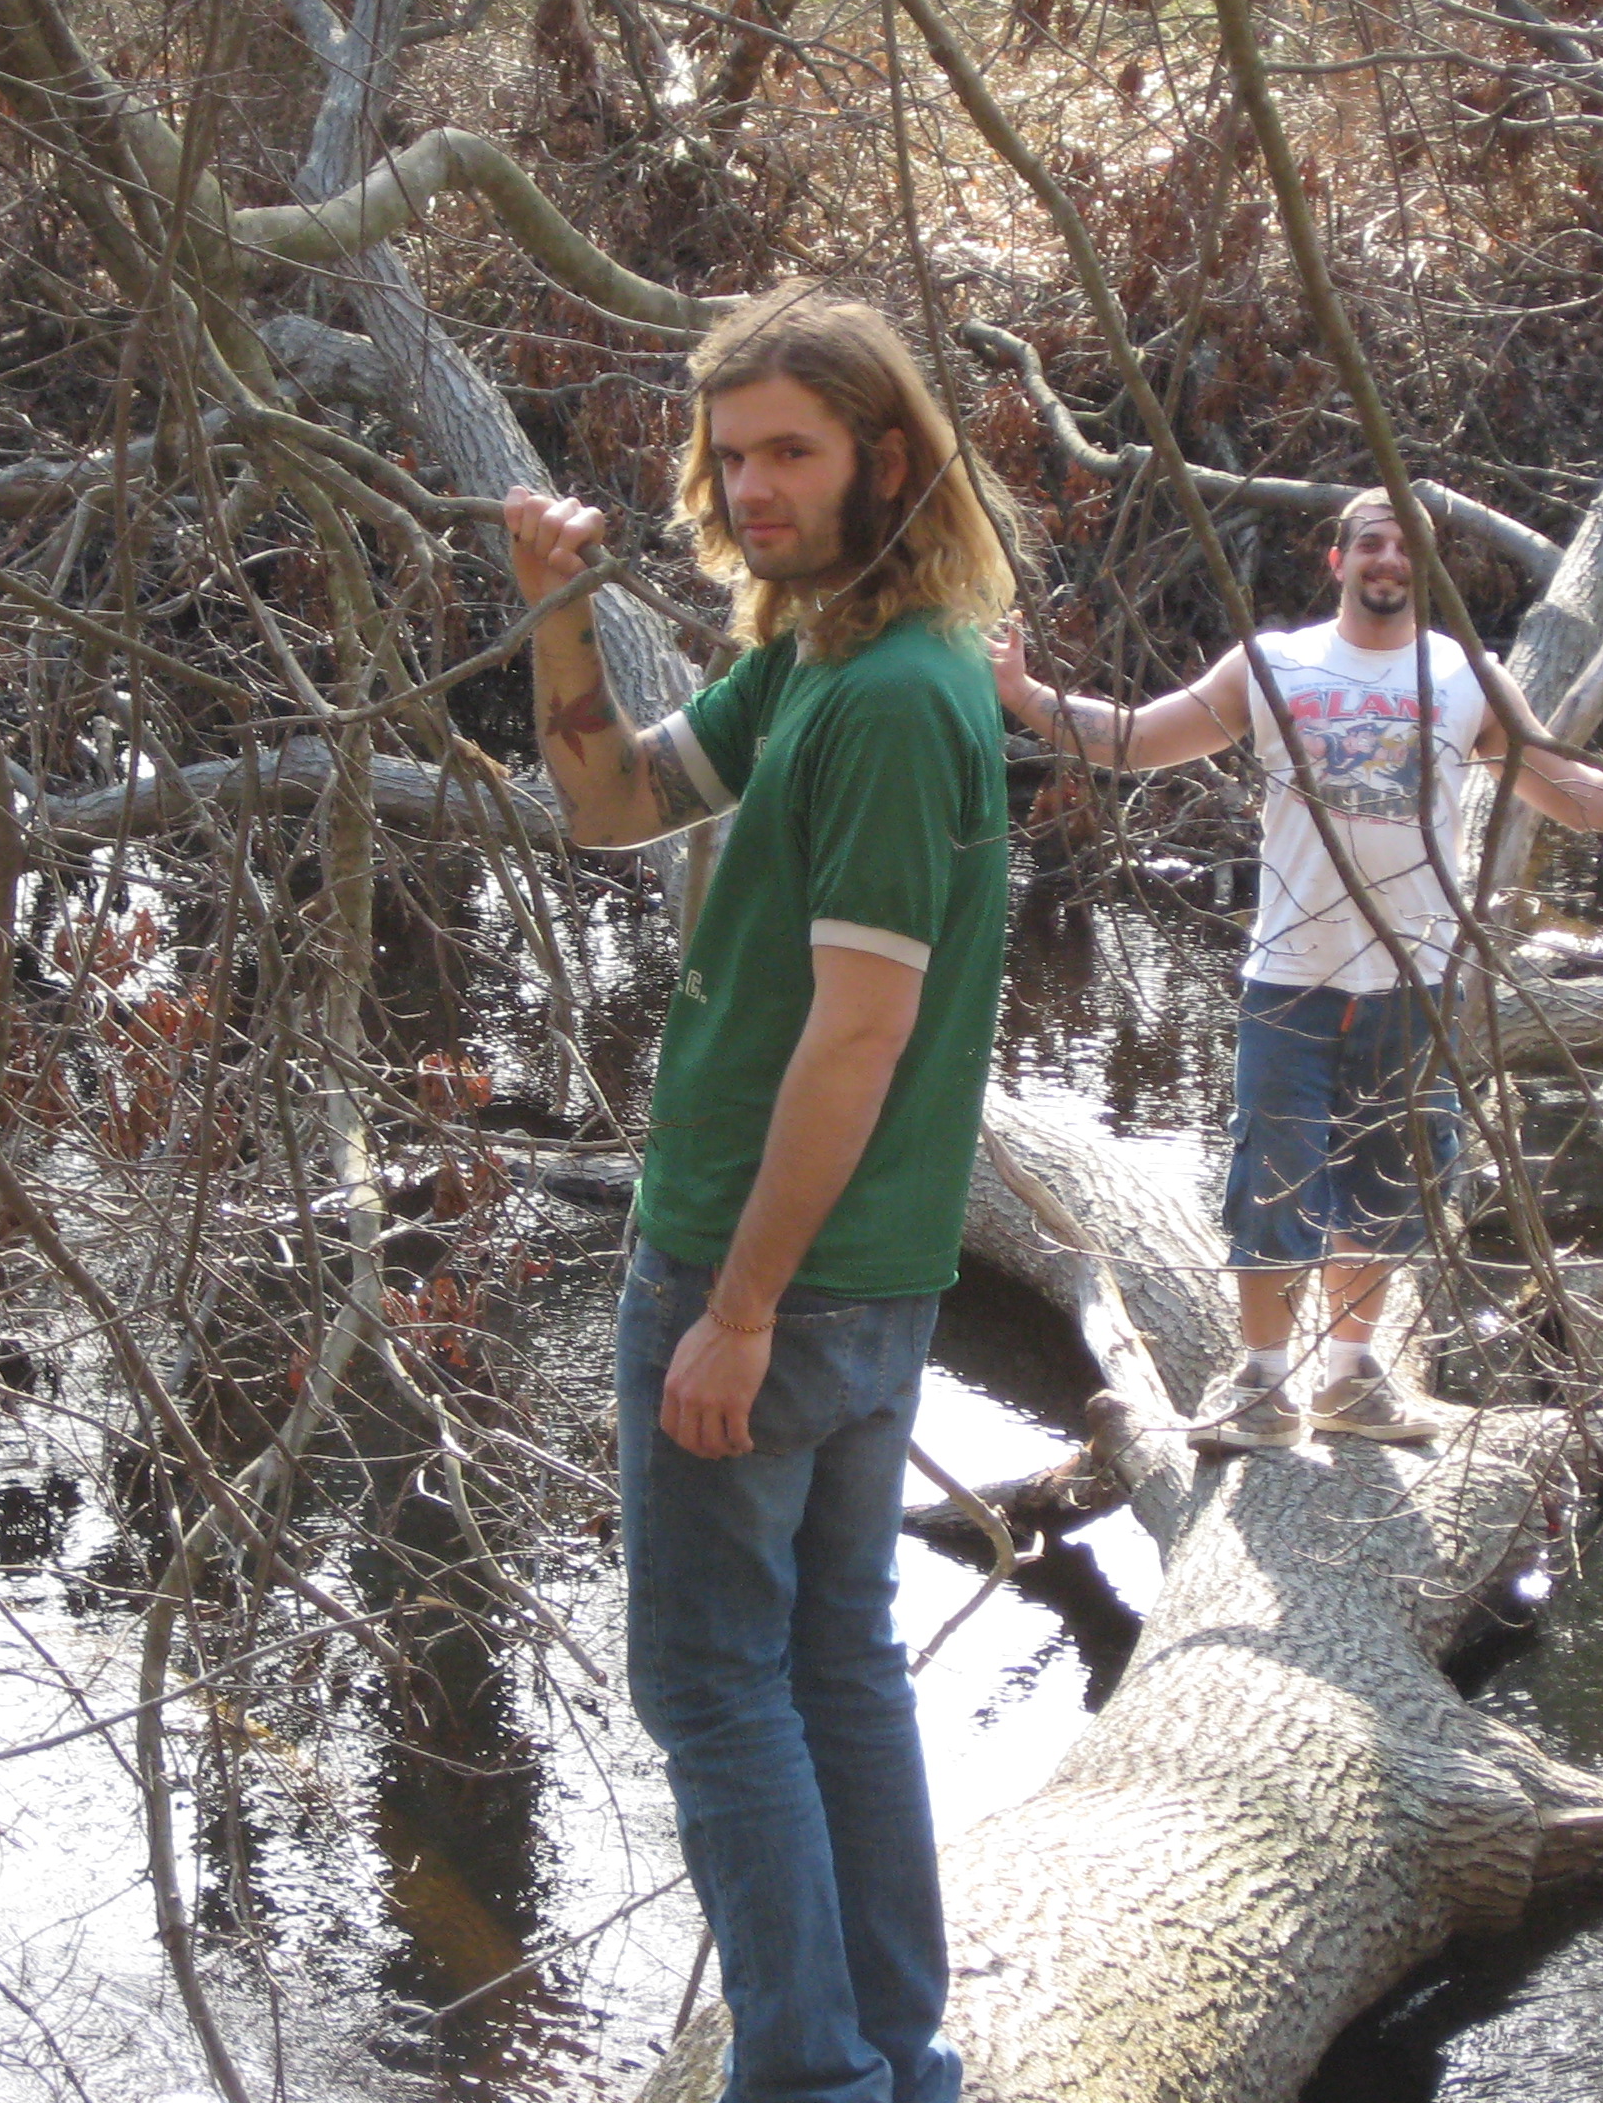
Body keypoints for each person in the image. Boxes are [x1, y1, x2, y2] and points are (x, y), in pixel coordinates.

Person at [505, 284, 1022, 2103]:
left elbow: (856, 1036)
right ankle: (894, 2057)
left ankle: (815, 2076)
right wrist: (559, 610)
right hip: (859, 1276)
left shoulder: (889, 700)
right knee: (834, 1662)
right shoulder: (822, 656)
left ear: (887, 455)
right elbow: (613, 805)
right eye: (731, 459)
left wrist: (732, 1306)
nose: (755, 490)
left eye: (790, 451)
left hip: (771, 1271)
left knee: (715, 1686)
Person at [990, 488, 1603, 1451]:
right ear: (1339, 561)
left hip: (1414, 982)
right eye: (1371, 543)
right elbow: (1137, 737)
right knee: (1272, 1180)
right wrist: (1026, 696)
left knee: (1389, 1182)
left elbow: (1576, 795)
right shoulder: (1271, 664)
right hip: (1290, 976)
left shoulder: (1466, 678)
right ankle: (1262, 1382)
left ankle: (1350, 1377)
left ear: (1427, 567)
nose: (1389, 561)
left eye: (1408, 547)